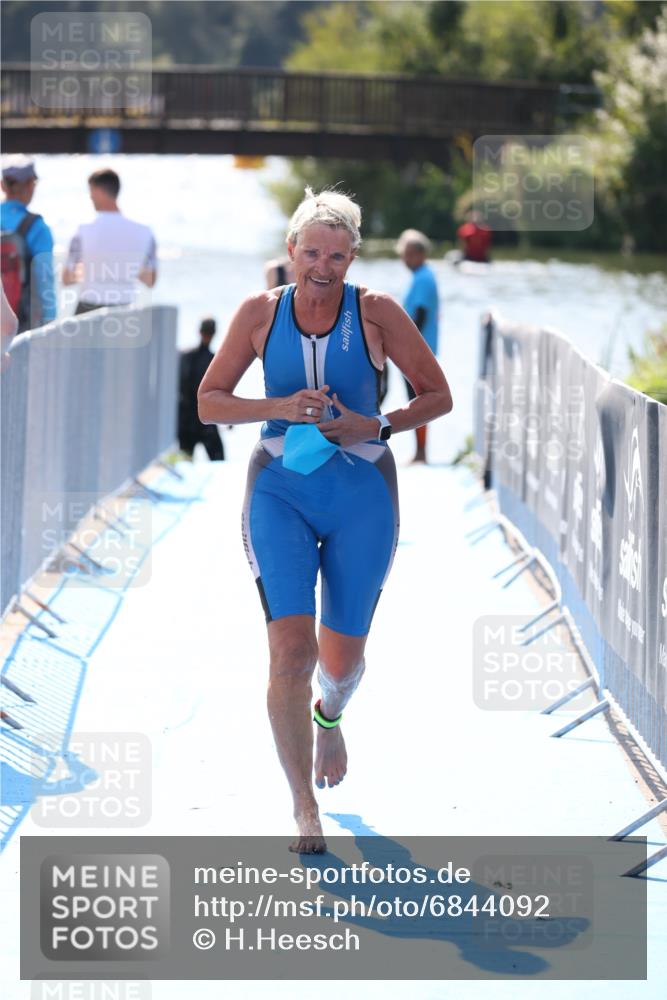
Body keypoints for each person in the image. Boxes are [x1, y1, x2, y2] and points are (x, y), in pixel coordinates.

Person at [198, 189, 453, 853]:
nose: (322, 265)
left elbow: (438, 394)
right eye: (310, 252)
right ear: (290, 253)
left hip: (362, 492)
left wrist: (380, 424)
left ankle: (329, 714)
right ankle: (302, 806)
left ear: (351, 258)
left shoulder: (376, 312)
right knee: (291, 649)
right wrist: (276, 403)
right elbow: (208, 403)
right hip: (279, 488)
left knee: (339, 665)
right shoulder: (259, 313)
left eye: (335, 255)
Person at [62, 168, 157, 314]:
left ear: (99, 191)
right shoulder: (144, 231)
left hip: (89, 307)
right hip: (125, 308)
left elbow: (67, 278)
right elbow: (151, 281)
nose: (90, 197)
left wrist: (92, 270)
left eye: (91, 191)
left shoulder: (83, 229)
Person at [395, 229, 440, 463]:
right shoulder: (422, 276)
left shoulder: (423, 278)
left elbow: (420, 315)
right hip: (418, 349)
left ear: (421, 254)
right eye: (404, 253)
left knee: (418, 401)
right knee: (415, 399)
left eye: (409, 253)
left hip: (418, 351)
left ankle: (421, 453)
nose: (405, 258)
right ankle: (420, 452)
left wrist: (405, 345)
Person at [1, 155, 56, 333]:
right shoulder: (37, 228)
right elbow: (44, 279)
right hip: (22, 324)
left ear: (2, 185)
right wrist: (49, 322)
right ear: (31, 185)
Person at [178, 317, 225, 461]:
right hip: (205, 420)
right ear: (214, 333)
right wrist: (227, 419)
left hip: (187, 419)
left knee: (185, 462)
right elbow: (222, 391)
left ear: (199, 332)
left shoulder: (185, 356)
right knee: (218, 460)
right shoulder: (214, 359)